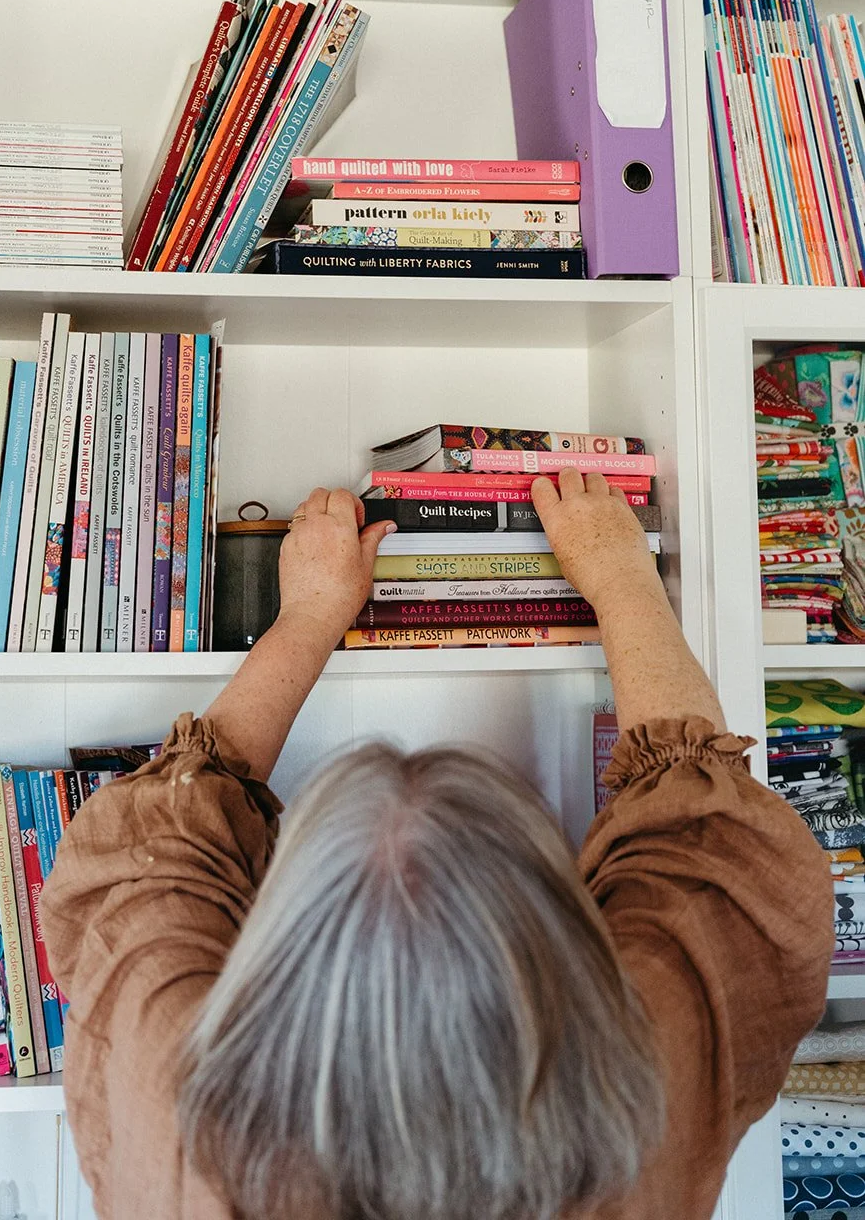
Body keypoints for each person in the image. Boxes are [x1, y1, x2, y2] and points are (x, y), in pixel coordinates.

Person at [41, 470, 835, 1220]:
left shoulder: (179, 1108)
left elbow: (153, 849)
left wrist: (310, 615)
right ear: (557, 922)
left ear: (278, 930)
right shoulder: (644, 1085)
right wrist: (622, 577)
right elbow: (710, 840)